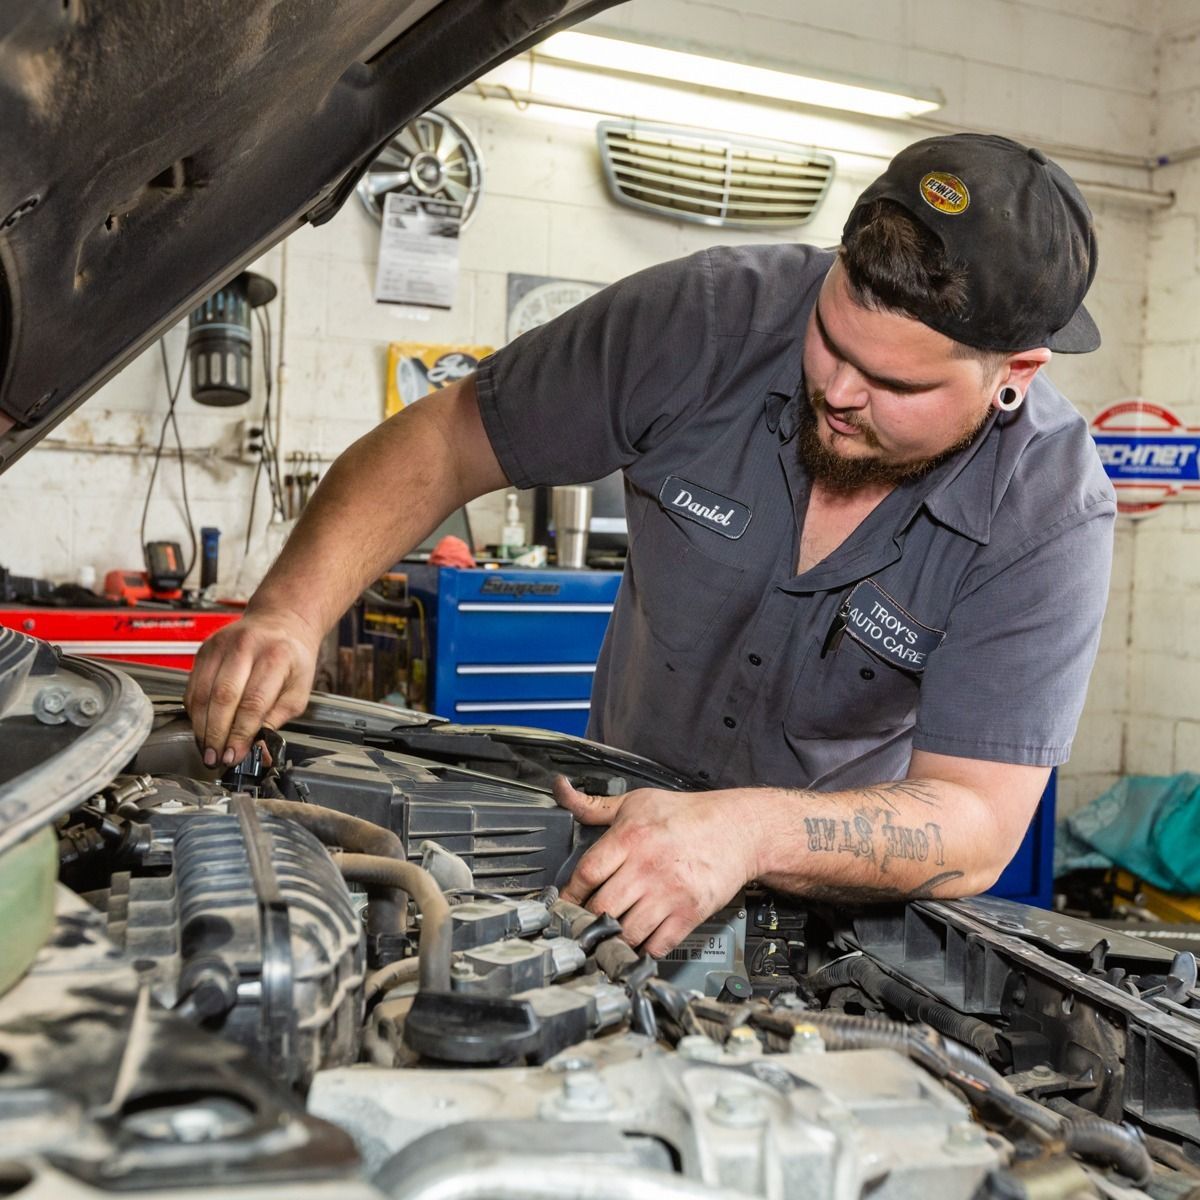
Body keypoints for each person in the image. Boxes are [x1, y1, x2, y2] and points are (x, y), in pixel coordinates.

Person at [186, 134, 1115, 956]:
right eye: (831, 339)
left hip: (825, 909)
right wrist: (289, 612)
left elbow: (978, 820)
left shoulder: (1047, 512)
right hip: (604, 838)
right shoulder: (705, 323)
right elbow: (448, 438)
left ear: (1016, 376)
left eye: (893, 383)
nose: (836, 390)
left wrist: (744, 833)